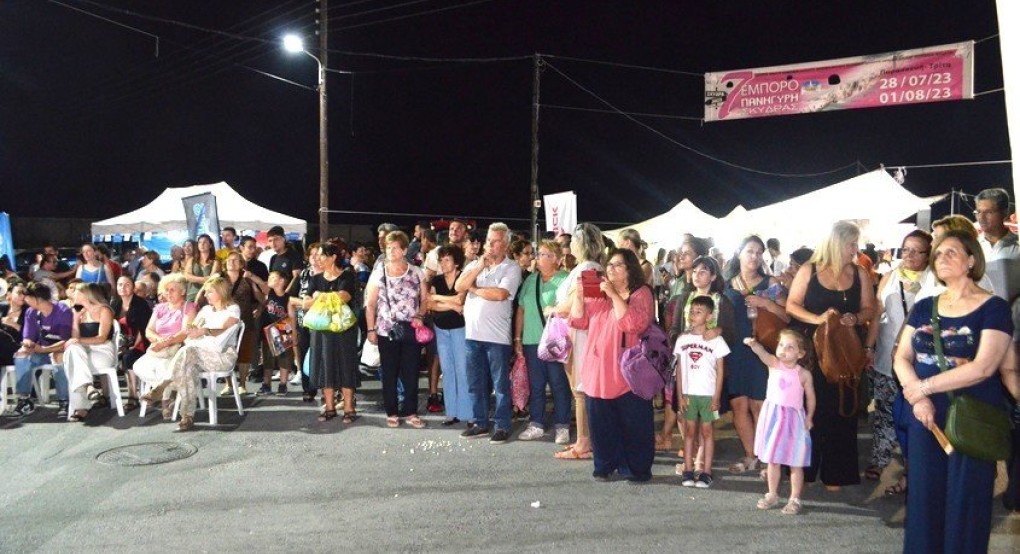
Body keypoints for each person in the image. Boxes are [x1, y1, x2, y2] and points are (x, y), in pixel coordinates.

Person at [894, 228, 1013, 553]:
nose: (942, 258)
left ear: (971, 260)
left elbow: (984, 367)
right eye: (939, 253)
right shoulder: (924, 306)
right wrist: (917, 396)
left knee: (967, 502)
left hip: (971, 416)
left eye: (952, 252)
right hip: (924, 417)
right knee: (923, 500)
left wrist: (923, 388)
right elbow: (901, 357)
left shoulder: (993, 308)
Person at [786, 221, 876, 490]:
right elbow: (792, 305)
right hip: (813, 352)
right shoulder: (809, 270)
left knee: (841, 410)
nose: (855, 250)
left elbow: (871, 309)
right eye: (851, 244)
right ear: (837, 244)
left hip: (845, 352)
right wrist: (818, 319)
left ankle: (836, 472)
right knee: (810, 408)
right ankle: (806, 470)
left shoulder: (859, 273)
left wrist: (856, 317)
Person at [568, 248, 655, 481]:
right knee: (601, 421)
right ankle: (604, 464)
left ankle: (636, 468)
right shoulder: (598, 295)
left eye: (618, 265)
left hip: (628, 370)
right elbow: (578, 320)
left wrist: (615, 295)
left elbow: (632, 324)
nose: (611, 269)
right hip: (598, 367)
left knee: (633, 422)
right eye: (609, 265)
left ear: (629, 270)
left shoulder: (641, 293)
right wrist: (578, 295)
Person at [863, 230, 932, 494]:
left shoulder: (935, 280)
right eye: (906, 249)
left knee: (913, 418)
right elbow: (877, 315)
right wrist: (869, 347)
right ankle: (879, 461)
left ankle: (911, 469)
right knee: (884, 412)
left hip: (919, 362)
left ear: (928, 255)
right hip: (885, 359)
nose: (909, 255)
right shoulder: (890, 277)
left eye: (916, 251)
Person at [723, 236, 789, 474]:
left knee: (760, 406)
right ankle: (751, 455)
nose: (754, 256)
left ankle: (766, 457)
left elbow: (787, 316)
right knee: (739, 405)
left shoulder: (769, 283)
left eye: (759, 252)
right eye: (750, 251)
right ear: (739, 253)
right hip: (734, 351)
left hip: (761, 350)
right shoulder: (727, 284)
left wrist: (767, 303)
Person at [456, 222, 523, 443]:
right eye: (488, 241)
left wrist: (474, 289)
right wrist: (478, 268)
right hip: (473, 335)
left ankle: (502, 425)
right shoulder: (476, 264)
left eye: (495, 242)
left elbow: (501, 294)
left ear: (505, 245)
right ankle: (480, 422)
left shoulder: (511, 268)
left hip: (496, 337)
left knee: (500, 385)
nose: (490, 246)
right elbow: (458, 286)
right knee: (476, 383)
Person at [664, 255, 736, 459]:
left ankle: (702, 460)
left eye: (703, 271)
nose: (697, 275)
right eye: (694, 271)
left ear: (713, 276)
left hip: (710, 371)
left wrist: (719, 330)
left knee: (706, 421)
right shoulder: (683, 298)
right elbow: (674, 329)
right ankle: (692, 454)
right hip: (687, 368)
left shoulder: (721, 301)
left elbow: (732, 333)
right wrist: (681, 338)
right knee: (686, 415)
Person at [549, 222, 605, 459]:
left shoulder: (588, 269)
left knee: (581, 389)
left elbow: (579, 304)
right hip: (577, 331)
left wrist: (552, 309)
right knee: (579, 389)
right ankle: (585, 439)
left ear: (581, 243)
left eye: (574, 239)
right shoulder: (585, 267)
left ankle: (584, 441)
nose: (570, 242)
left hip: (581, 333)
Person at [745, 330, 816, 516]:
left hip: (793, 421)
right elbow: (763, 354)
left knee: (795, 462)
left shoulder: (804, 374)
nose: (784, 350)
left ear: (800, 354)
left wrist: (809, 417)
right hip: (774, 418)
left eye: (790, 347)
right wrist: (754, 344)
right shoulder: (774, 364)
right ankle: (772, 493)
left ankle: (795, 498)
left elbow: (810, 398)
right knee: (773, 460)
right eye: (781, 345)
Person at [366, 232, 429, 428]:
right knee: (389, 372)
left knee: (411, 372)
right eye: (387, 247)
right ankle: (391, 412)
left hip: (411, 328)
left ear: (403, 250)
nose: (390, 251)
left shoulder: (416, 272)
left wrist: (420, 315)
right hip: (386, 329)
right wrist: (371, 329)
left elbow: (425, 299)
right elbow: (370, 304)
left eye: (394, 247)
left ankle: (411, 412)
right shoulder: (379, 273)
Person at [165, 276, 240, 431]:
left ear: (221, 292)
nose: (205, 295)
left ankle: (166, 384)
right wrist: (192, 329)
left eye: (209, 291)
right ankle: (187, 416)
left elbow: (224, 329)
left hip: (223, 355)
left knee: (188, 352)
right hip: (199, 353)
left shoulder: (233, 309)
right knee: (187, 367)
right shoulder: (206, 310)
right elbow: (192, 326)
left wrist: (204, 331)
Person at [515, 240, 571, 444]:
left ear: (555, 259)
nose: (537, 258)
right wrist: (518, 338)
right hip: (531, 341)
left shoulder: (566, 280)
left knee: (559, 384)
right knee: (536, 385)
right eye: (538, 254)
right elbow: (521, 309)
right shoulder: (531, 280)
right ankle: (536, 423)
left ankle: (562, 425)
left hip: (554, 342)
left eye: (543, 254)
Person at [301, 242, 360, 423]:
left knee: (345, 365)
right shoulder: (315, 279)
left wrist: (320, 296)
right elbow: (305, 303)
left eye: (322, 255)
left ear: (333, 257)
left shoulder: (347, 276)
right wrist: (323, 298)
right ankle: (329, 407)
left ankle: (349, 408)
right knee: (324, 365)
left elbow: (344, 297)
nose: (318, 258)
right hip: (321, 330)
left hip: (344, 330)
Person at [675, 295, 729, 488]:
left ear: (709, 316)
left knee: (707, 432)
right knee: (689, 432)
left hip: (707, 394)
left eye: (698, 312)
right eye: (691, 311)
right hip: (690, 394)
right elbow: (680, 370)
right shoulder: (683, 339)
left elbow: (721, 370)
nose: (693, 315)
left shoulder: (717, 341)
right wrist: (680, 395)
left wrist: (717, 395)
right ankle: (688, 470)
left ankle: (706, 472)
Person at [136, 274, 196, 420]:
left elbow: (184, 333)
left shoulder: (189, 307)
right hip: (158, 347)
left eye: (172, 290)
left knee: (164, 366)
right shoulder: (160, 308)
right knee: (138, 366)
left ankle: (164, 401)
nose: (168, 293)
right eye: (166, 290)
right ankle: (167, 392)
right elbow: (149, 330)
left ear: (182, 292)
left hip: (177, 348)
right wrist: (159, 340)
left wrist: (166, 342)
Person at [9, 283, 73, 418]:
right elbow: (28, 337)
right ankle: (24, 399)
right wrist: (26, 345)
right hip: (41, 350)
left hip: (61, 349)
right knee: (21, 356)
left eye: (27, 297)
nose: (25, 299)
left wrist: (44, 349)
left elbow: (67, 341)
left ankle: (64, 400)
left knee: (58, 357)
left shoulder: (62, 311)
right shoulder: (31, 312)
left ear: (36, 298)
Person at [429, 244, 470, 426]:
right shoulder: (436, 280)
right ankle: (451, 412)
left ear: (456, 262)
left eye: (447, 259)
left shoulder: (463, 277)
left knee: (462, 370)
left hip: (460, 328)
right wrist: (452, 304)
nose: (443, 263)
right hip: (441, 328)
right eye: (441, 260)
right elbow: (430, 304)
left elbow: (461, 300)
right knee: (447, 370)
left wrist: (440, 299)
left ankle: (467, 412)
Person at [63, 283, 116, 422]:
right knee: (72, 350)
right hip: (83, 351)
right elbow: (75, 338)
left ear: (86, 294)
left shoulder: (104, 310)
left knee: (74, 359)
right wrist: (75, 319)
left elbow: (102, 338)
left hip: (102, 350)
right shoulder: (80, 312)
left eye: (77, 292)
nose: (74, 294)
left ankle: (82, 406)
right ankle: (88, 386)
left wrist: (78, 341)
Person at [214, 251, 264, 395]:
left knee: (244, 353)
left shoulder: (247, 278)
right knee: (224, 351)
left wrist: (260, 308)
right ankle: (228, 384)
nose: (232, 262)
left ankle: (242, 384)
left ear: (242, 264)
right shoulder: (220, 279)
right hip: (224, 321)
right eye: (229, 260)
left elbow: (261, 297)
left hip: (245, 319)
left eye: (236, 260)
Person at [110, 275, 153, 411]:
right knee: (109, 356)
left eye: (127, 284)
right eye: (120, 284)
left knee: (129, 357)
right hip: (122, 342)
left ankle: (133, 395)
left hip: (140, 342)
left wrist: (133, 346)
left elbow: (143, 328)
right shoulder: (115, 304)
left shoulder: (140, 304)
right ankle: (105, 395)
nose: (123, 287)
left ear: (133, 287)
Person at [975, 187, 1020, 303]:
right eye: (978, 212)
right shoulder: (972, 247)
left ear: (1004, 212)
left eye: (988, 212)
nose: (981, 217)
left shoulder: (1017, 245)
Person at [292, 242, 322, 401]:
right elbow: (290, 297)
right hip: (303, 321)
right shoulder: (303, 274)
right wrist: (303, 303)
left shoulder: (329, 274)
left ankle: (326, 388)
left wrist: (309, 303)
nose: (316, 258)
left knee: (323, 355)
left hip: (323, 322)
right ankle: (308, 388)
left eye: (319, 254)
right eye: (312, 255)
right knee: (304, 354)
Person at [258, 271, 294, 396]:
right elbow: (261, 284)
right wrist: (252, 277)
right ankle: (266, 384)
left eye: (273, 277)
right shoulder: (270, 293)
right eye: (270, 277)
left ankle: (283, 384)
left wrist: (293, 333)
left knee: (283, 358)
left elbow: (291, 316)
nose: (270, 279)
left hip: (282, 328)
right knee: (267, 358)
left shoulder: (287, 297)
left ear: (281, 281)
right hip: (268, 328)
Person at [267, 226, 304, 296]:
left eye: (276, 239)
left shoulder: (294, 255)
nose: (273, 243)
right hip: (275, 298)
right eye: (270, 241)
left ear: (283, 239)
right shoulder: (273, 258)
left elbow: (296, 277)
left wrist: (284, 295)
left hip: (289, 297)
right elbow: (271, 278)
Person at [183, 234, 220, 303]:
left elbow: (211, 281)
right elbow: (187, 276)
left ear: (210, 245)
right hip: (191, 295)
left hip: (207, 296)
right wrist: (205, 279)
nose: (202, 244)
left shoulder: (216, 262)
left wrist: (194, 278)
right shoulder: (192, 260)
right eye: (200, 242)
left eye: (205, 242)